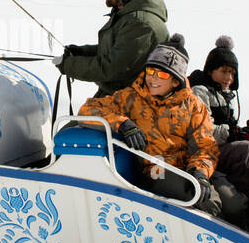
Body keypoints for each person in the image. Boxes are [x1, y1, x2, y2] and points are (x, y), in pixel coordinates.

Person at [78, 34, 221, 215]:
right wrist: (122, 123)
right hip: (155, 169)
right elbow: (88, 109)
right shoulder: (131, 97)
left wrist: (200, 172)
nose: (152, 79)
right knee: (196, 196)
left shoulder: (194, 106)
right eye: (150, 71)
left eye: (161, 74)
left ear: (175, 81)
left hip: (188, 167)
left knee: (227, 204)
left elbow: (205, 146)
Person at [54, 0, 168, 97]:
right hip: (118, 97)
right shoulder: (129, 15)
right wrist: (82, 52)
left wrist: (68, 65)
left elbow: (111, 68)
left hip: (131, 106)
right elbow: (117, 50)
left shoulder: (141, 23)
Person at [188, 35, 249, 225]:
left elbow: (229, 126)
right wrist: (233, 133)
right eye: (224, 71)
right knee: (248, 150)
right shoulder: (200, 91)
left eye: (232, 73)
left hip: (220, 146)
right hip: (203, 150)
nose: (229, 78)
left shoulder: (226, 94)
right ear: (211, 70)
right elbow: (203, 130)